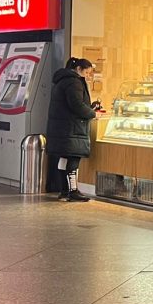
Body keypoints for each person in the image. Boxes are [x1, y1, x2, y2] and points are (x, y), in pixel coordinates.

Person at [46, 57, 99, 202]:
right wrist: (93, 113)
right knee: (73, 159)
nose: (88, 76)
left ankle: (64, 190)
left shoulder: (61, 80)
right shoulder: (74, 82)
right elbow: (76, 105)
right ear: (79, 70)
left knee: (64, 159)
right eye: (87, 73)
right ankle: (73, 191)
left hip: (62, 128)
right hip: (71, 128)